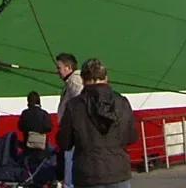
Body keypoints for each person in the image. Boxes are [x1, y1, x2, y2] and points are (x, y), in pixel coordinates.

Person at [55, 58, 135, 188]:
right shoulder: (122, 102)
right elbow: (131, 136)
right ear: (106, 77)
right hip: (118, 172)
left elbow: (64, 142)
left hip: (87, 174)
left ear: (83, 79)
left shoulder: (74, 106)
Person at [56, 53, 83, 188]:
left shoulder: (74, 81)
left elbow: (80, 102)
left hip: (72, 132)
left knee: (69, 162)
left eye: (59, 67)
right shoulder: (71, 81)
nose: (57, 71)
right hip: (72, 130)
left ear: (68, 68)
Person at [18, 90, 54, 162]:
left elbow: (20, 126)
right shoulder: (44, 114)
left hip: (28, 147)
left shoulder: (25, 113)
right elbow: (48, 127)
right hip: (42, 148)